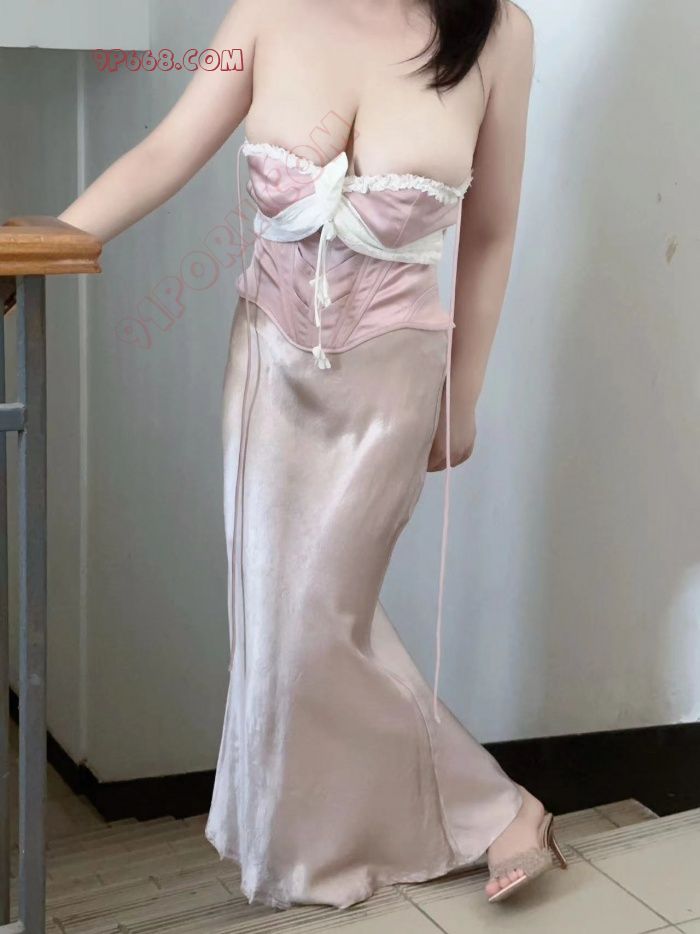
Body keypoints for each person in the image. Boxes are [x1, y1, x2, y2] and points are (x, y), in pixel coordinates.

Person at [58, 0, 567, 910]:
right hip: (269, 373)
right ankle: (323, 850)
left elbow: (491, 231)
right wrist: (38, 247)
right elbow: (165, 152)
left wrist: (464, 395)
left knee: (321, 622)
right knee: (275, 632)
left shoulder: (500, 35)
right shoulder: (267, 11)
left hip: (392, 385)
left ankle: (497, 810)